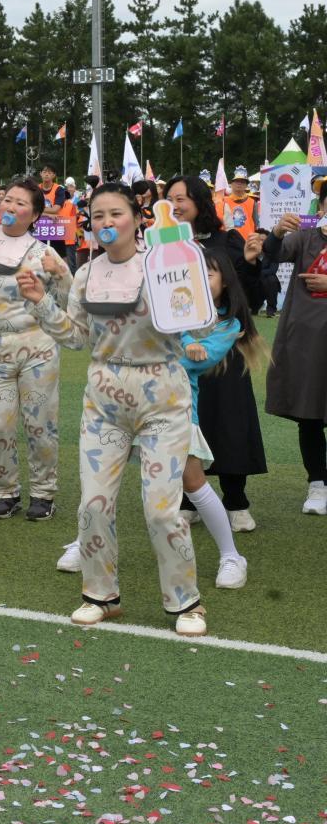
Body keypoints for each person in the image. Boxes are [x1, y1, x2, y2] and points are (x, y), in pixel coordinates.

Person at [16, 183, 206, 636]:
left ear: (137, 219)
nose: (106, 222)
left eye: (116, 213)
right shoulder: (86, 274)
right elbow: (77, 337)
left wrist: (186, 273)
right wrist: (41, 303)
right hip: (104, 399)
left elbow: (198, 322)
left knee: (161, 509)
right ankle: (100, 595)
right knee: (94, 504)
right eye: (98, 215)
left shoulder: (163, 262)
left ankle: (186, 602)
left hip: (162, 397)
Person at [163, 175, 267, 522]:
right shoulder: (163, 245)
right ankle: (190, 499)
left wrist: (249, 263)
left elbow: (248, 296)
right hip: (180, 346)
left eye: (181, 198)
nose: (174, 205)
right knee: (186, 419)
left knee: (229, 419)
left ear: (199, 200)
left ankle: (236, 500)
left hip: (223, 347)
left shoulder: (227, 240)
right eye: (169, 199)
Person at [0, 178, 71, 521]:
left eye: (21, 203)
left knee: (39, 423)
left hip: (36, 348)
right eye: (7, 200)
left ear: (35, 215)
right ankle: (6, 492)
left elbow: (68, 300)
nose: (11, 207)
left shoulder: (43, 253)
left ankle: (43, 493)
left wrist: (60, 275)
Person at [175, 250, 259, 590]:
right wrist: (183, 340)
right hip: (147, 404)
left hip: (184, 408)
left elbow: (198, 357)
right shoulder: (174, 311)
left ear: (225, 281)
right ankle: (86, 543)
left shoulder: (230, 323)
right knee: (110, 478)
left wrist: (180, 345)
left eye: (208, 274)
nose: (199, 281)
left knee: (197, 476)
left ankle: (231, 551)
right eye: (193, 274)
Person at [260, 178, 327, 515]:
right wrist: (275, 233)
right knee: (309, 413)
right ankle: (318, 483)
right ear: (321, 207)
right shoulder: (305, 237)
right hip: (305, 341)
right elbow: (273, 255)